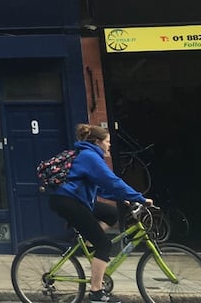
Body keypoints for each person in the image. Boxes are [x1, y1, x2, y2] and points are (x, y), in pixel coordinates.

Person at [49, 123, 152, 303]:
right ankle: (96, 293)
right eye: (108, 141)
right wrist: (139, 197)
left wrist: (123, 199)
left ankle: (88, 243)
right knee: (104, 244)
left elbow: (101, 189)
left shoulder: (90, 155)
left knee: (111, 213)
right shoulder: (90, 157)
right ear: (98, 142)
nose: (109, 145)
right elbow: (112, 181)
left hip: (76, 200)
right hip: (68, 201)